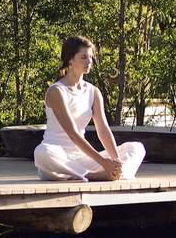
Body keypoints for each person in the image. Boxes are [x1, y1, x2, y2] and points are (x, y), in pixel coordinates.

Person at [34, 36, 146, 181]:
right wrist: (103, 163)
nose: (89, 62)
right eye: (83, 57)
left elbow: (103, 130)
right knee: (41, 152)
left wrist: (115, 162)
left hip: (82, 158)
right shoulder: (57, 91)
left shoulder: (93, 92)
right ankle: (91, 176)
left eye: (91, 57)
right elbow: (73, 134)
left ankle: (117, 173)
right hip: (58, 158)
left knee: (136, 148)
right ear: (70, 59)